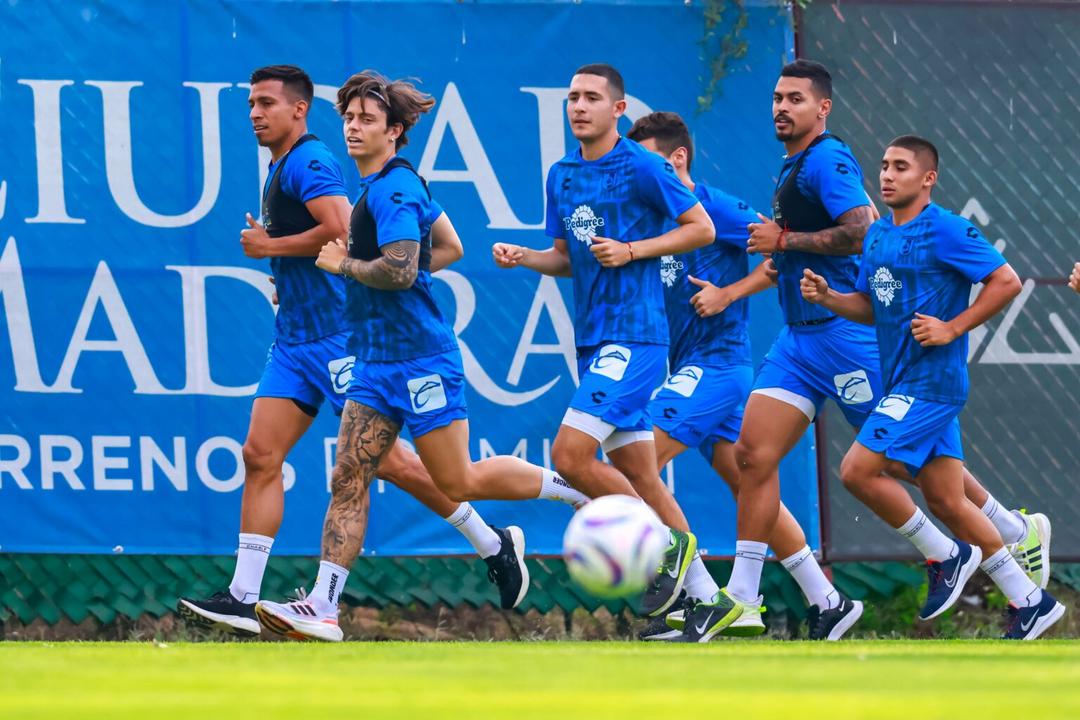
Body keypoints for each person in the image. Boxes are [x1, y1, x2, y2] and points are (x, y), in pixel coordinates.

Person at [688, 60, 1048, 643]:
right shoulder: (795, 165)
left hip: (847, 341)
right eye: (777, 98)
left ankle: (1002, 540)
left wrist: (785, 242)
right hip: (801, 337)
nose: (782, 107)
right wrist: (760, 276)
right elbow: (803, 251)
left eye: (796, 99)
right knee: (752, 455)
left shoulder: (828, 159)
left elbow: (857, 227)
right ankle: (745, 598)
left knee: (919, 471)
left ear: (822, 108)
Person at [177, 65, 542, 637]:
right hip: (294, 338)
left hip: (336, 341)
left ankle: (491, 541)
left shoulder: (311, 160)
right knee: (259, 454)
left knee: (388, 463)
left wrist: (271, 247)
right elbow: (349, 244)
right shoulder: (283, 163)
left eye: (267, 103)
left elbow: (340, 231)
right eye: (251, 103)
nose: (255, 113)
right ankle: (243, 597)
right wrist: (286, 272)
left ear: (299, 109)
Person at [254, 70, 588, 642]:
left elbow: (402, 268)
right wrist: (360, 279)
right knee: (349, 474)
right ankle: (324, 606)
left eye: (368, 120)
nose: (354, 128)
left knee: (458, 480)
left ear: (396, 130)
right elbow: (451, 247)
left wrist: (346, 268)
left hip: (421, 362)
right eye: (350, 118)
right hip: (374, 362)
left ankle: (579, 492)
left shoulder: (395, 190)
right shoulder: (380, 187)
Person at [800, 135, 1064, 640]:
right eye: (883, 165)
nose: (887, 174)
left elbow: (1005, 280)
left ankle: (946, 555)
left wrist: (953, 327)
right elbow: (872, 308)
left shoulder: (944, 228)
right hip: (902, 379)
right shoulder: (876, 235)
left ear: (928, 178)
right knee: (946, 499)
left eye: (901, 166)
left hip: (932, 382)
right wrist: (830, 297)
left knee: (857, 469)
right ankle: (1031, 602)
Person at [625, 111, 862, 642]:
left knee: (637, 461)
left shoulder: (715, 207)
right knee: (750, 488)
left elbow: (775, 255)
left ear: (677, 158)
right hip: (696, 369)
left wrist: (727, 293)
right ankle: (828, 599)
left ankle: (706, 599)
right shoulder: (657, 215)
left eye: (645, 159)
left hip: (717, 366)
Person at [492, 64, 716, 620]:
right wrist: (526, 257)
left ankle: (665, 544)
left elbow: (702, 228)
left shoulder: (643, 164)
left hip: (636, 337)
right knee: (642, 474)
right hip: (592, 341)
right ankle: (710, 601)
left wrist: (635, 250)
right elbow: (567, 259)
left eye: (591, 97)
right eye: (572, 97)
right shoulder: (561, 174)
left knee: (569, 455)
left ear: (619, 109)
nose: (579, 106)